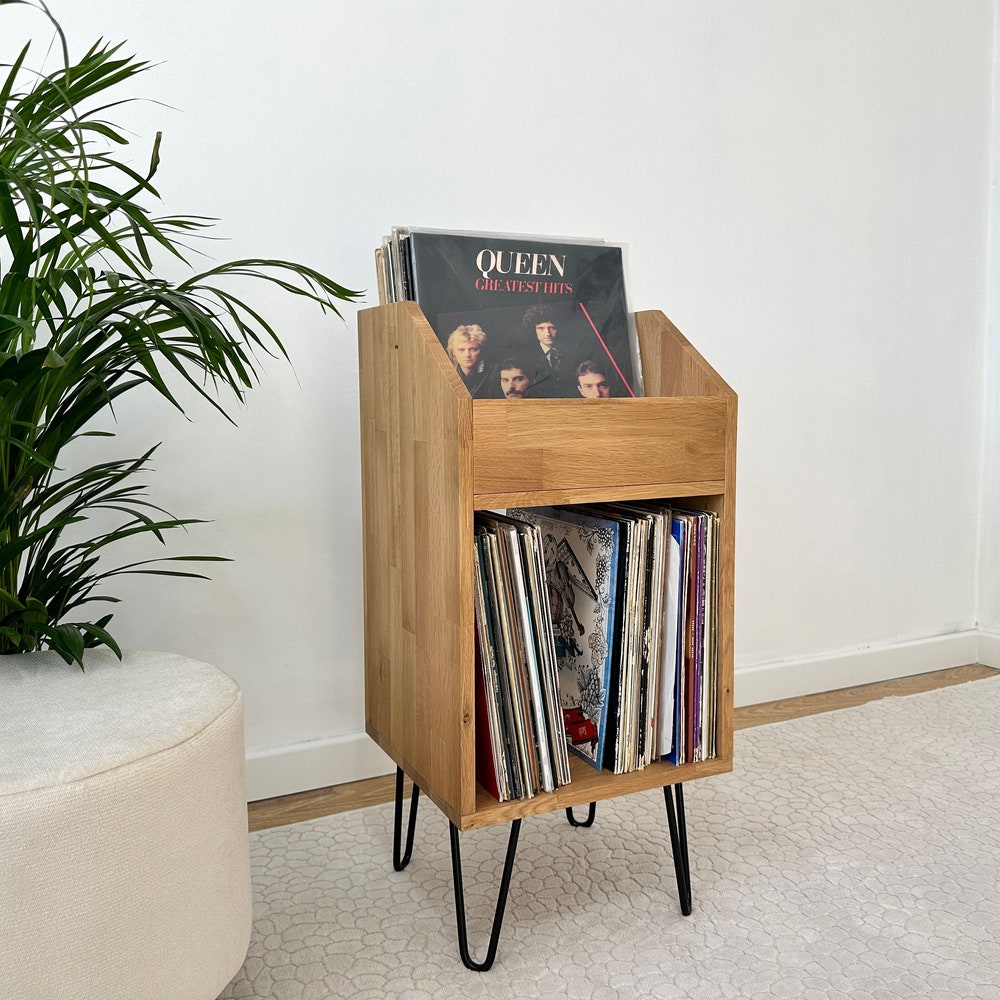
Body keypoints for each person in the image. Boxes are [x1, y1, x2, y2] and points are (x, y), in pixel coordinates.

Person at [521, 305, 566, 397]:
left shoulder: (571, 354)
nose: (548, 333)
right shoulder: (525, 357)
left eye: (552, 328)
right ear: (534, 330)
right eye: (541, 328)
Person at [445, 324, 493, 396]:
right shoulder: (446, 376)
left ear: (481, 350)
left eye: (473, 349)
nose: (467, 355)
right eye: (461, 350)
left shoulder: (493, 375)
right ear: (453, 352)